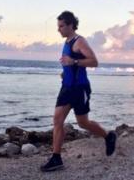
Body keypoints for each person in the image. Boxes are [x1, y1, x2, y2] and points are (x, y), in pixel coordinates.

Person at [40, 11, 117, 172]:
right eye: (58, 26)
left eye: (61, 26)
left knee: (83, 123)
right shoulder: (67, 42)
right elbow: (70, 65)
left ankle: (108, 136)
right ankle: (56, 158)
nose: (58, 29)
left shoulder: (79, 41)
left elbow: (94, 62)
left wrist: (73, 61)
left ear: (70, 25)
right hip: (66, 88)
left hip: (79, 88)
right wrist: (65, 72)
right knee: (57, 120)